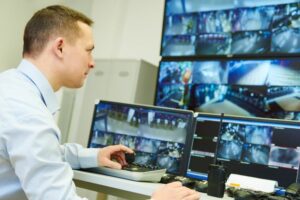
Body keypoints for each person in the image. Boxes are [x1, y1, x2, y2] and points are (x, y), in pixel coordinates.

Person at [0, 5, 200, 200]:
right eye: (89, 50)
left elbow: (44, 153)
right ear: (60, 47)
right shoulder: (29, 114)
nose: (92, 62)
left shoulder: (10, 86)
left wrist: (94, 156)